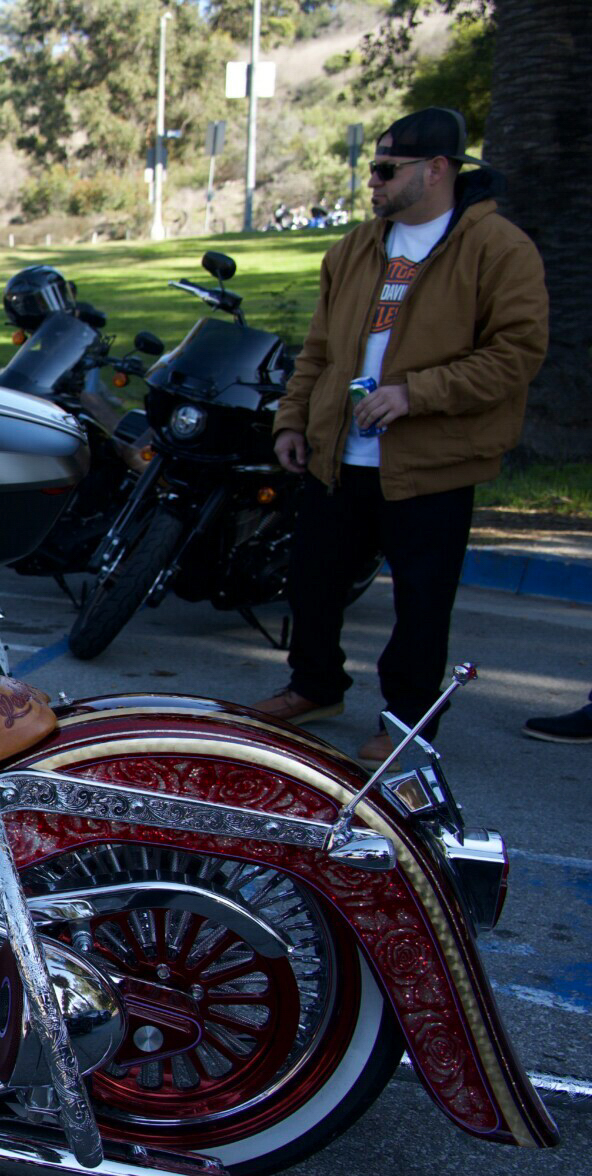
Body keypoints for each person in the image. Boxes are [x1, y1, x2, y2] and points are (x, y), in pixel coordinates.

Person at [248, 107, 548, 763]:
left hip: (431, 462)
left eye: (387, 170)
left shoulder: (498, 250)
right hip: (340, 453)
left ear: (437, 170)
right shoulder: (356, 247)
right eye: (373, 170)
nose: (374, 184)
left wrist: (415, 395)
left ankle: (406, 720)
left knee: (420, 601)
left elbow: (516, 354)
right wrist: (292, 418)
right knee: (312, 579)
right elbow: (320, 349)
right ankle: (315, 686)